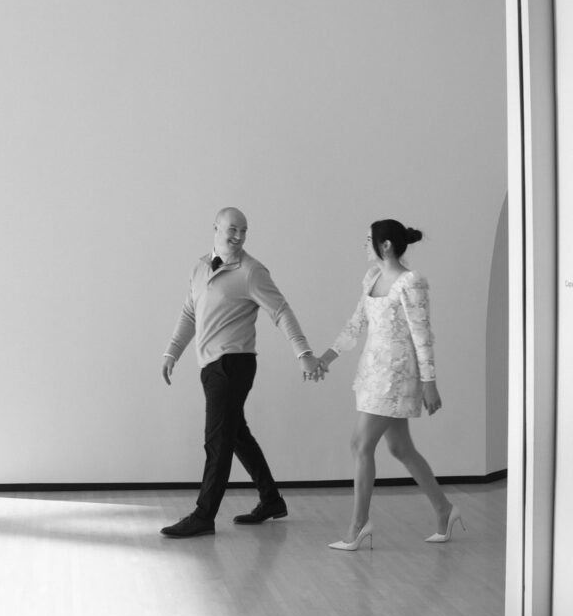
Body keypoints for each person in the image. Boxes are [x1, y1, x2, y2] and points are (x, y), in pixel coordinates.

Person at [160, 207, 323, 538]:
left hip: (233, 364)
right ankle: (271, 500)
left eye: (244, 231)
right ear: (216, 228)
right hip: (210, 366)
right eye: (232, 229)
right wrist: (171, 352)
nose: (238, 236)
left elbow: (281, 311)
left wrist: (303, 352)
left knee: (217, 440)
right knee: (236, 435)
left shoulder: (251, 271)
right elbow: (190, 313)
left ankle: (204, 516)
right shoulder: (200, 267)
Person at [317, 219, 464, 550]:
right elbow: (357, 323)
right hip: (373, 371)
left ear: (384, 246)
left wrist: (430, 383)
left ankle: (358, 525)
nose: (364, 245)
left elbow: (422, 335)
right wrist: (326, 357)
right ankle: (445, 509)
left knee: (360, 444)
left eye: (368, 239)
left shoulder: (411, 283)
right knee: (400, 448)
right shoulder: (372, 278)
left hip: (397, 375)